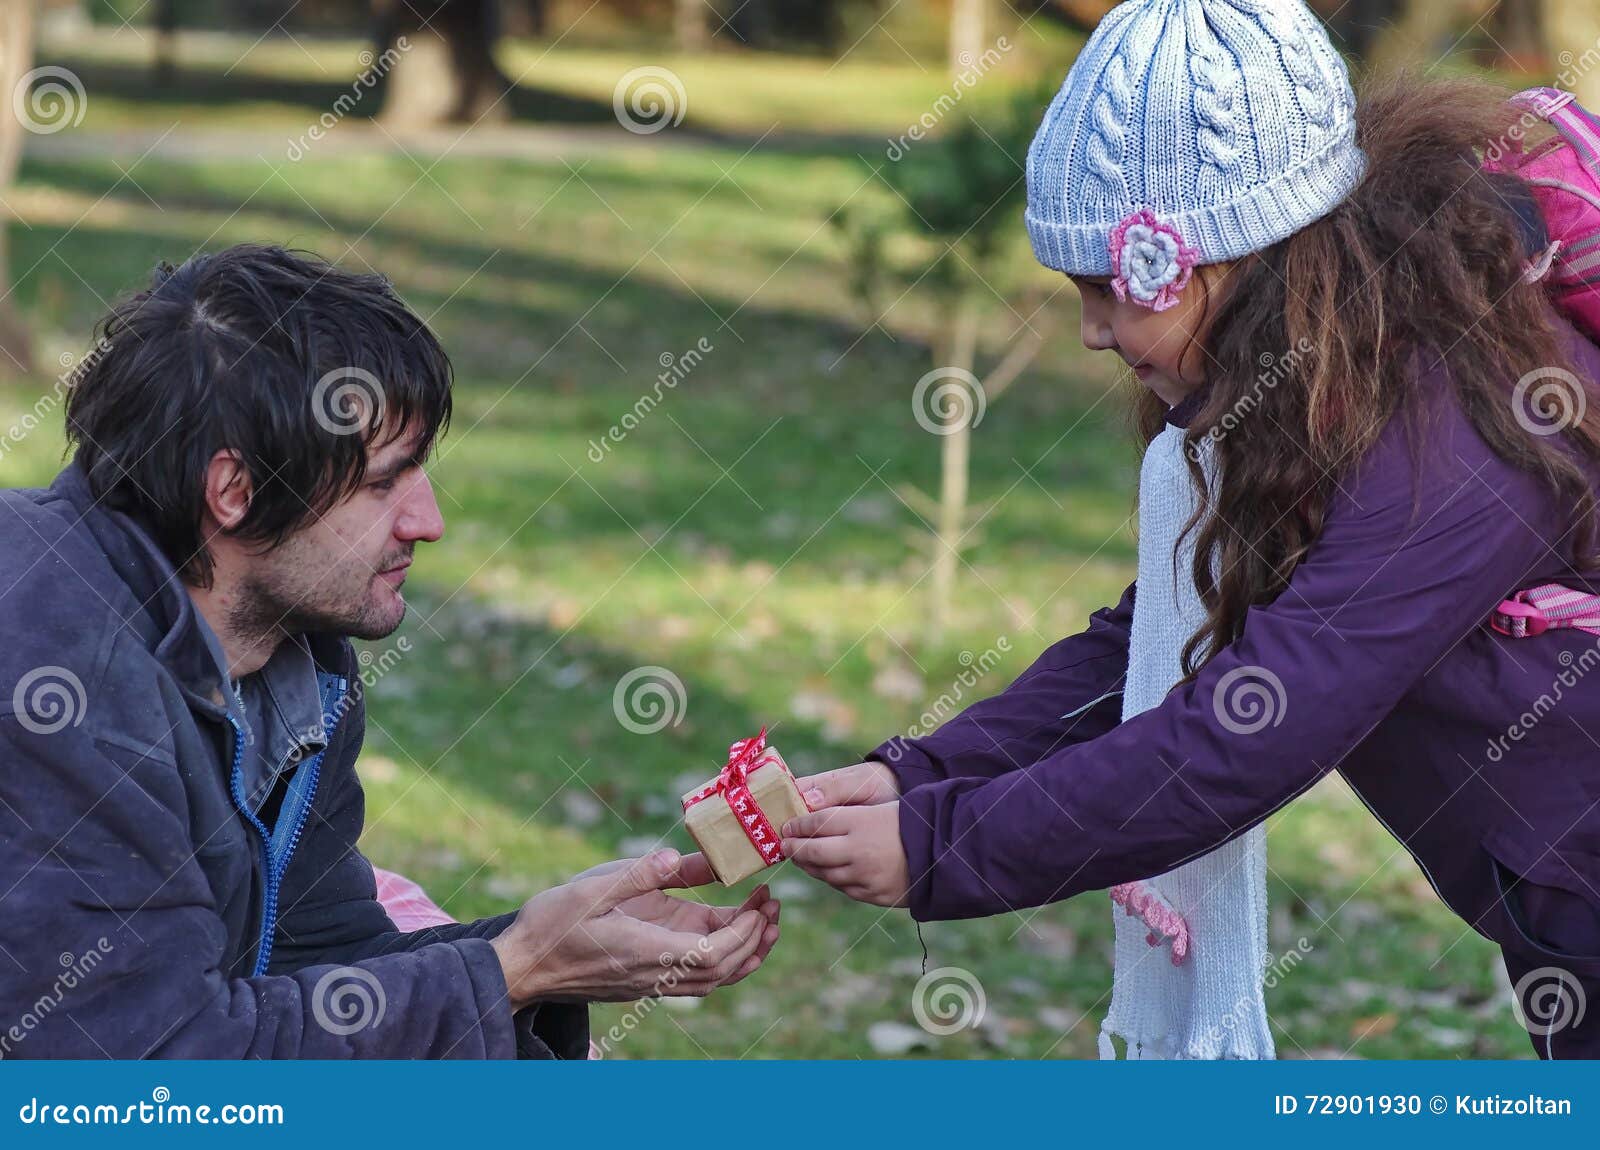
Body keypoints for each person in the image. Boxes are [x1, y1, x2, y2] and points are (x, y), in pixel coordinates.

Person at [782, 0, 1600, 1059]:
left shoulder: (1455, 431)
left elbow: (1252, 729)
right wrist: (925, 774)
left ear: (1223, 261)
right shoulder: (1331, 389)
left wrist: (941, 846)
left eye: (1104, 291)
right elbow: (1166, 637)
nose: (1088, 333)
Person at [0, 244, 779, 1059]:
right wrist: (511, 970)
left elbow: (312, 959)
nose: (428, 522)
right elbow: (139, 1083)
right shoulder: (59, 693)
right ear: (233, 491)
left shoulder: (290, 651)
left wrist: (552, 951)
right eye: (383, 484)